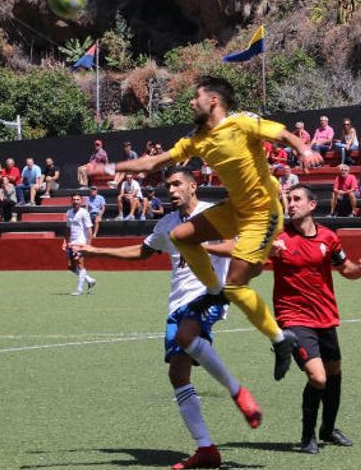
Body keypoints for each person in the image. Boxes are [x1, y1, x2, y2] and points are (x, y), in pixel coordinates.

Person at [92, 76, 323, 380]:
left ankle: (281, 340)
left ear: (213, 100)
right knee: (180, 236)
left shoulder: (241, 123)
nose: (191, 101)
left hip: (264, 213)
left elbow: (280, 133)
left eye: (195, 96)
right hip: (236, 210)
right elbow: (153, 163)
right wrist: (109, 168)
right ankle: (214, 292)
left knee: (237, 285)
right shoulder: (197, 139)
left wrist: (304, 150)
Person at [81, 167, 261, 469]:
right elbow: (142, 251)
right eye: (168, 186)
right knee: (178, 374)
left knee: (186, 337)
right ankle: (206, 449)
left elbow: (239, 245)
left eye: (178, 184)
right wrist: (95, 251)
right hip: (177, 302)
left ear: (193, 187)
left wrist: (202, 244)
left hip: (210, 293)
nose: (172, 190)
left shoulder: (213, 214)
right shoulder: (167, 222)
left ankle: (237, 390)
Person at [269, 184, 361, 454]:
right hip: (293, 316)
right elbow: (252, 268)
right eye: (288, 200)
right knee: (318, 378)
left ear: (312, 205)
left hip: (325, 316)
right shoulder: (279, 237)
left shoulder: (328, 238)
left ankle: (328, 429)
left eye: (296, 199)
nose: (290, 204)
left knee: (334, 373)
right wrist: (268, 253)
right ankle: (307, 437)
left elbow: (345, 268)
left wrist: (360, 270)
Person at [63, 194, 96, 296]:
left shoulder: (84, 212)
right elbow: (68, 228)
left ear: (81, 201)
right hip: (72, 243)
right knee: (71, 267)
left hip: (81, 242)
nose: (76, 201)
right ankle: (90, 280)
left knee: (80, 264)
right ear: (71, 201)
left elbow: (89, 229)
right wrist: (65, 241)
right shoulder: (69, 212)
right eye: (74, 199)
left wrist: (88, 244)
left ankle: (79, 290)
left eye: (78, 199)